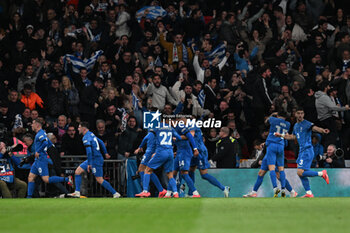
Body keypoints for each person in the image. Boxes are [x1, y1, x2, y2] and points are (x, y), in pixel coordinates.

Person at [275, 107, 330, 198]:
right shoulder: (296, 126)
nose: (300, 115)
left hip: (307, 150)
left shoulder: (306, 123)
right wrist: (281, 135)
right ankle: (309, 193)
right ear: (295, 114)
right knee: (302, 172)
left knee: (300, 172)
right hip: (302, 151)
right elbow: (293, 137)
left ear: (303, 114)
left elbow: (315, 128)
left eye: (302, 113)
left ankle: (321, 173)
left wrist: (323, 130)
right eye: (298, 113)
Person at [68, 122, 121, 198]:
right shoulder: (91, 134)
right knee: (77, 172)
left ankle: (115, 193)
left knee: (99, 179)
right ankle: (77, 192)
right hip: (93, 158)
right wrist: (105, 153)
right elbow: (101, 142)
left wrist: (89, 163)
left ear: (84, 129)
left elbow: (89, 151)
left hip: (95, 160)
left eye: (79, 127)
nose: (78, 129)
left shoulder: (85, 137)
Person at [27, 118, 73, 198]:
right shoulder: (41, 133)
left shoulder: (40, 133)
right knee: (31, 177)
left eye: (33, 123)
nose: (32, 125)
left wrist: (39, 151)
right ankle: (29, 197)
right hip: (37, 160)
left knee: (46, 179)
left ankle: (66, 179)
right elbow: (48, 143)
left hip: (41, 159)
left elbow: (45, 142)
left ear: (37, 125)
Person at [135, 120, 182, 198]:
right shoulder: (170, 128)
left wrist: (140, 147)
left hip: (161, 152)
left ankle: (145, 191)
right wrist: (172, 140)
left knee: (147, 169)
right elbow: (179, 138)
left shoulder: (157, 127)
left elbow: (148, 136)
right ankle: (176, 193)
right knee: (170, 174)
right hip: (170, 152)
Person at [189, 122, 230, 197]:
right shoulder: (187, 126)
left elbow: (191, 135)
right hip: (193, 151)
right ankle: (190, 193)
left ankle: (224, 188)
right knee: (190, 171)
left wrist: (178, 137)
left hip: (200, 151)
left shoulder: (191, 126)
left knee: (204, 174)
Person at [263, 111, 291, 197]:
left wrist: (272, 114)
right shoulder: (288, 124)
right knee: (281, 169)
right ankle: (283, 189)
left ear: (278, 115)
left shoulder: (273, 119)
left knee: (272, 168)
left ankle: (275, 188)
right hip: (281, 146)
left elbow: (266, 122)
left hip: (272, 145)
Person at [172, 118, 200, 198]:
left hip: (185, 153)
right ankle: (170, 193)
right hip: (179, 152)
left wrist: (195, 149)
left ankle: (194, 192)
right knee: (173, 173)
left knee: (184, 174)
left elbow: (190, 136)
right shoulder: (173, 130)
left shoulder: (181, 127)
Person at [134, 129, 167, 197]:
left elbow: (145, 139)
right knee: (149, 171)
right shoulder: (158, 133)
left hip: (149, 153)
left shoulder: (151, 133)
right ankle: (161, 190)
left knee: (141, 169)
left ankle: (145, 190)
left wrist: (139, 147)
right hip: (152, 152)